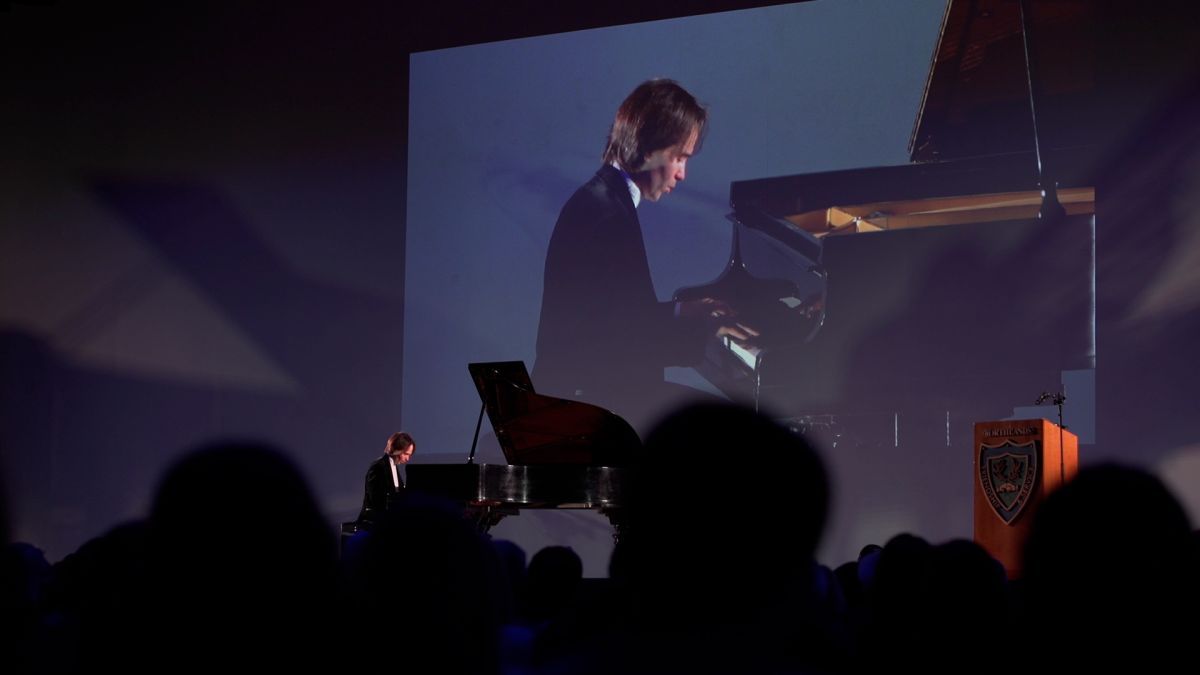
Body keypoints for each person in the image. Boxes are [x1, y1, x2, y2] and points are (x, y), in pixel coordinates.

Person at [533, 79, 755, 434]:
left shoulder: (604, 199)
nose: (682, 174)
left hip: (593, 389)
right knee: (735, 430)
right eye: (679, 157)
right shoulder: (606, 215)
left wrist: (685, 311)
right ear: (649, 146)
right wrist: (703, 329)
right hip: (589, 403)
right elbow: (620, 341)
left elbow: (619, 316)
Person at [355, 431, 415, 526]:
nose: (408, 459)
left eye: (409, 455)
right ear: (397, 449)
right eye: (406, 454)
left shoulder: (394, 466)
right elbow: (376, 501)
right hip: (374, 523)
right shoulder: (378, 466)